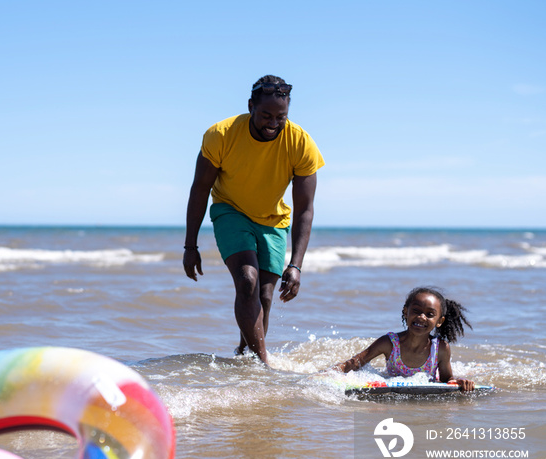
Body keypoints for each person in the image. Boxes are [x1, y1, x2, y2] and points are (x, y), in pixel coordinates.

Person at [183, 75, 325, 364]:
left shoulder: (301, 143)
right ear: (250, 106)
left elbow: (305, 209)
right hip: (230, 210)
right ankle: (263, 365)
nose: (272, 123)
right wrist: (190, 246)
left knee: (265, 297)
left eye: (280, 117)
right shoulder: (220, 135)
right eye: (265, 115)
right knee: (247, 280)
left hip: (273, 220)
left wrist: (296, 264)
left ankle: (245, 356)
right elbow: (200, 189)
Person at [334, 287, 476, 391]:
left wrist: (460, 382)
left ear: (439, 321)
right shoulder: (389, 343)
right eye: (416, 311)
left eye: (430, 314)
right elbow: (355, 363)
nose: (421, 317)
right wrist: (331, 374)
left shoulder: (440, 348)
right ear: (405, 312)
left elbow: (446, 380)